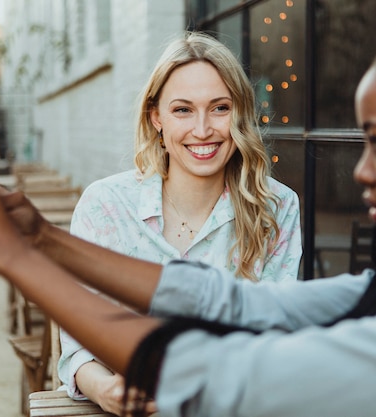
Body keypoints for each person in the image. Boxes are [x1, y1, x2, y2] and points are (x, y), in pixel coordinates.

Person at [0, 4, 376, 417]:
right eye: (181, 110)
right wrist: (42, 240)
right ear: (156, 116)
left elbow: (225, 378)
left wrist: (16, 258)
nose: (358, 171)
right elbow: (235, 302)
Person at [58, 31, 302, 413]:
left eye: (220, 108)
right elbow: (77, 342)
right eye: (183, 110)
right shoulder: (105, 206)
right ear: (156, 116)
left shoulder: (278, 207)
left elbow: (274, 337)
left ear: (240, 112)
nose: (202, 130)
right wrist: (105, 390)